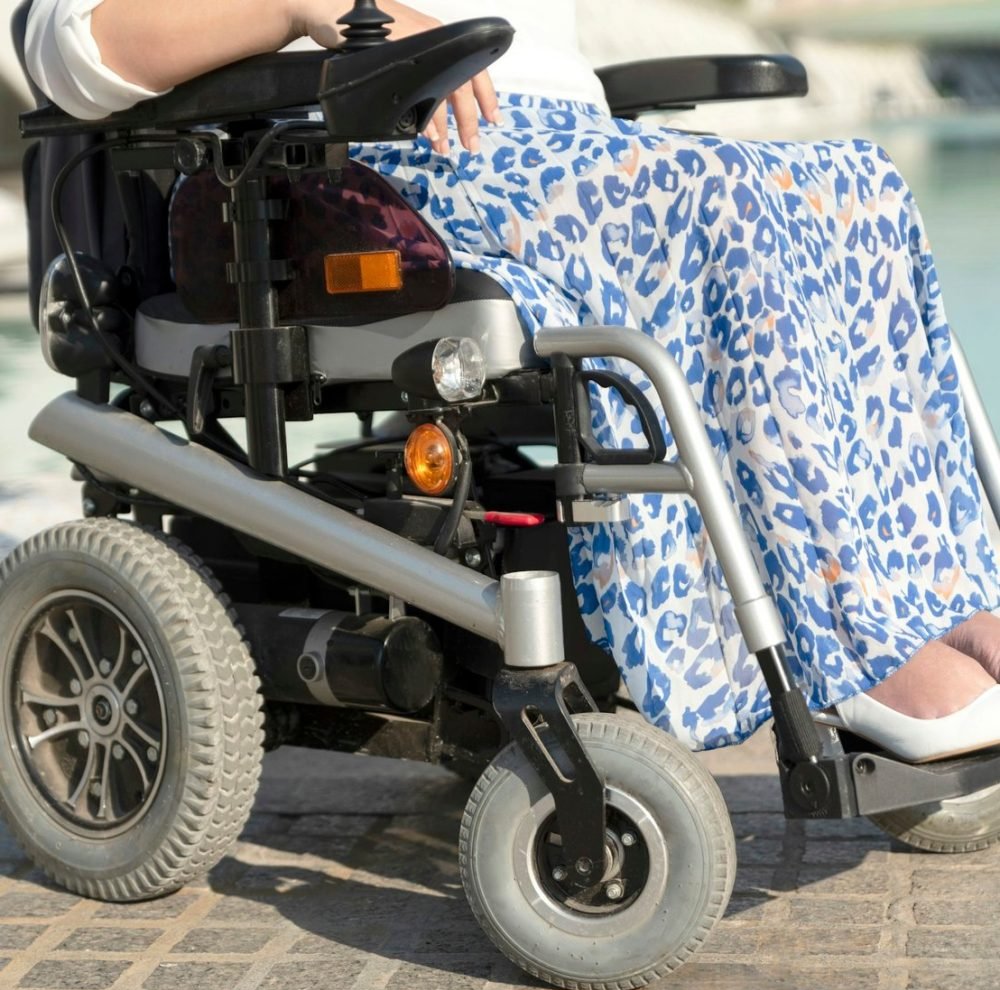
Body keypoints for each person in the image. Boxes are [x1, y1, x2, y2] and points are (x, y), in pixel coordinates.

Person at [23, 0, 1000, 760]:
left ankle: (939, 590)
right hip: (349, 165)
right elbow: (63, 47)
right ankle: (853, 641)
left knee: (855, 190)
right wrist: (305, 6)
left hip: (551, 145)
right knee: (730, 210)